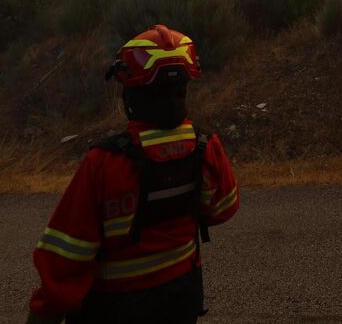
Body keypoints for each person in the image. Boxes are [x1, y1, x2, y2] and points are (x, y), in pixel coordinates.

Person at [28, 25, 239, 324]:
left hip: (114, 308)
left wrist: (44, 311)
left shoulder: (104, 163)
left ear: (132, 92)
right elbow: (223, 209)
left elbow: (66, 257)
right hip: (181, 300)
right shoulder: (206, 146)